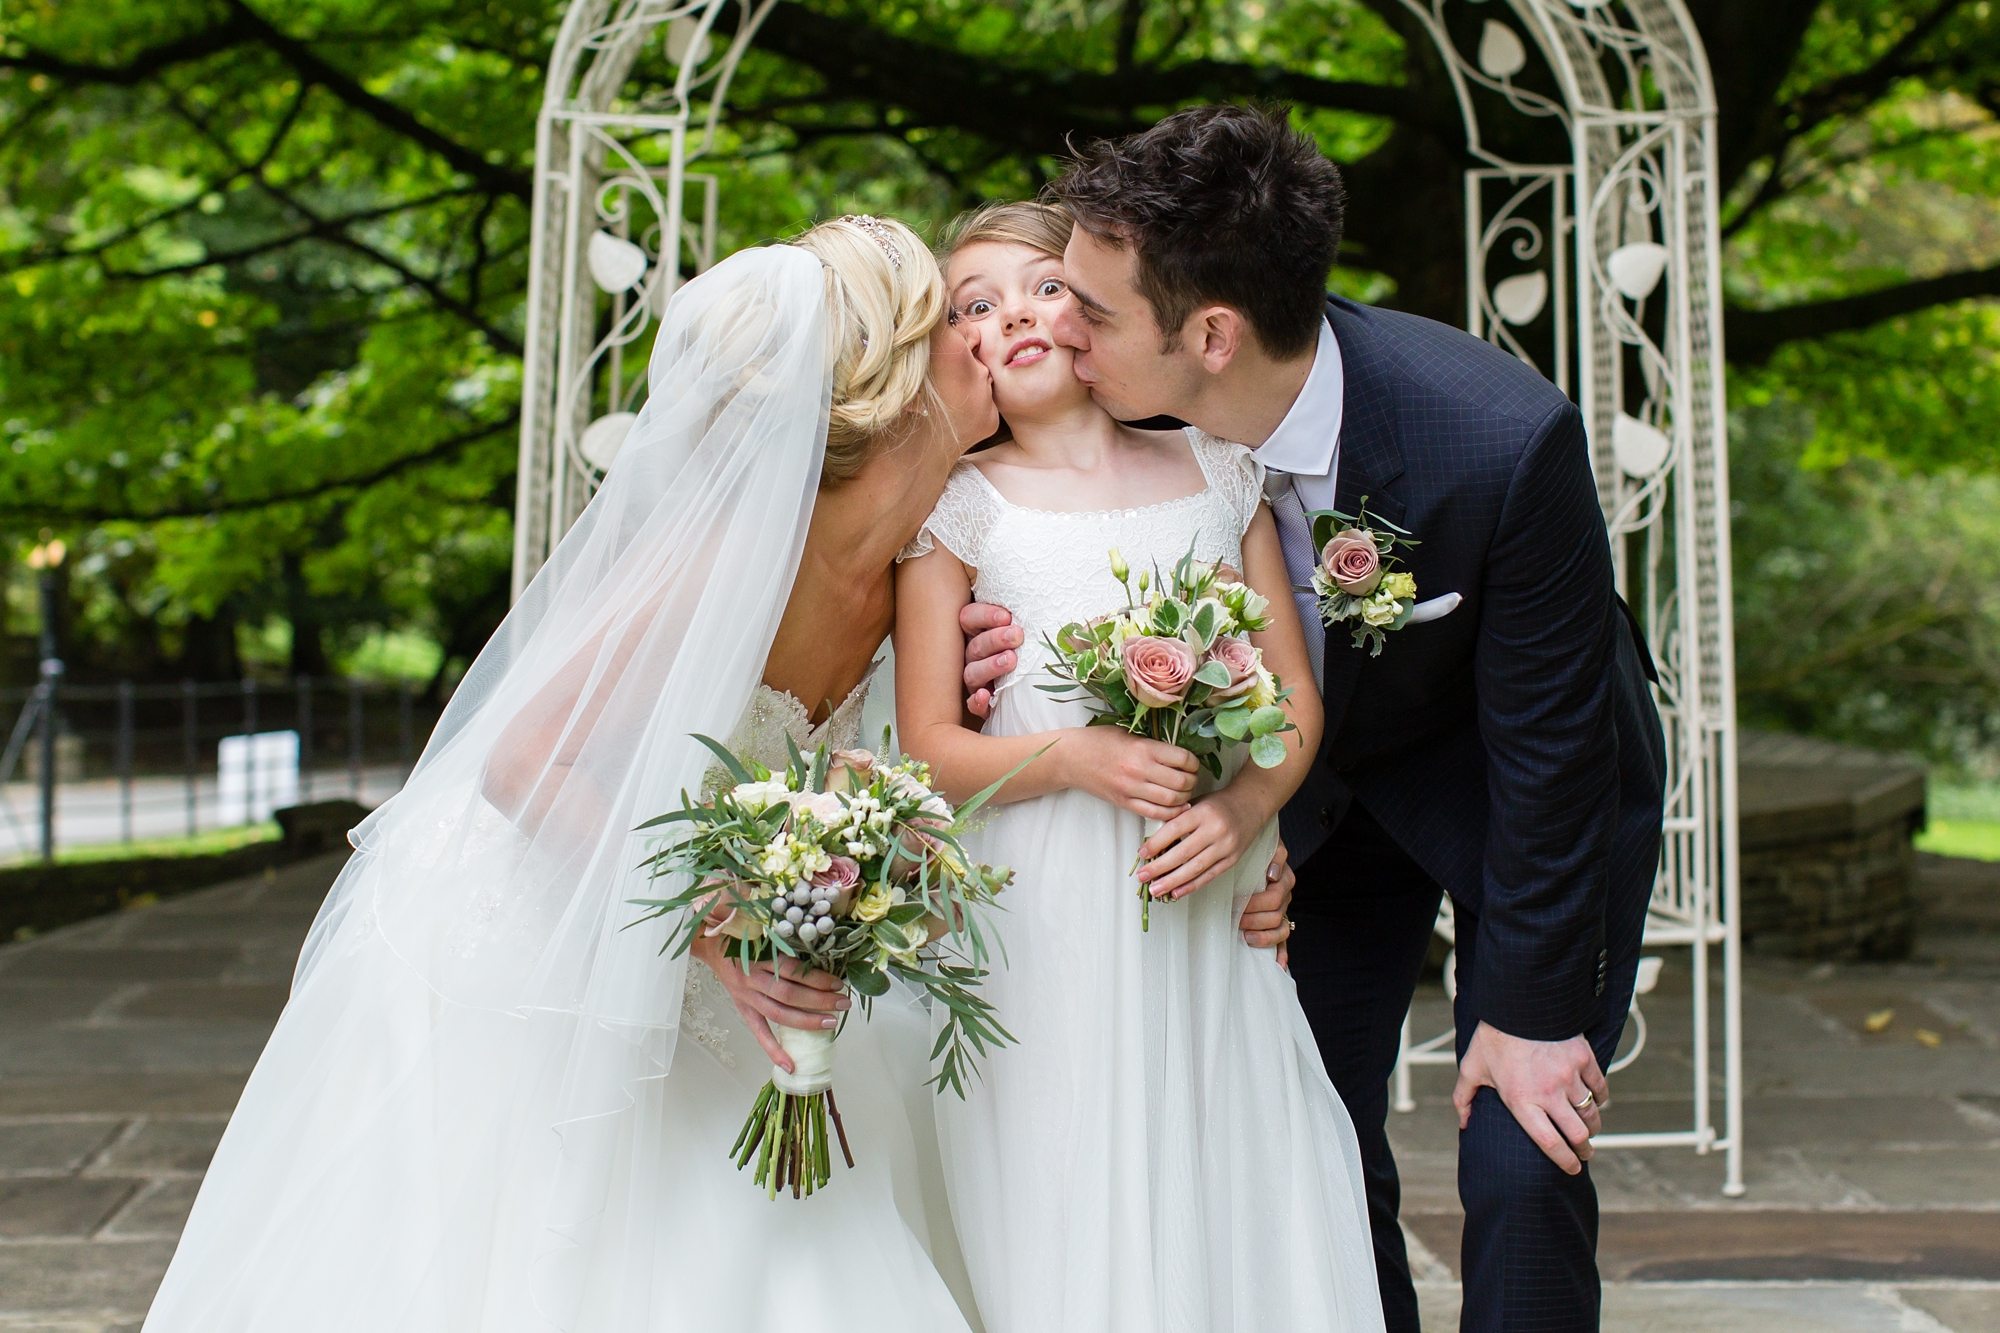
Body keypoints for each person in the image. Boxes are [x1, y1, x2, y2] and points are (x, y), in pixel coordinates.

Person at [959, 108, 1668, 1333]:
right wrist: (999, 650)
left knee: (1520, 1133)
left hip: (1515, 791)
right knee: (1312, 1117)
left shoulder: (1499, 441)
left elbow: (1553, 752)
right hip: (1312, 802)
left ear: (1211, 334)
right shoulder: (1128, 405)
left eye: (1093, 307)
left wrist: (1534, 1017)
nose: (1059, 325)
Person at [894, 200, 1382, 1333]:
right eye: (975, 305)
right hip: (1043, 907)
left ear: (1094, 305)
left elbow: (1293, 696)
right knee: (1068, 1178)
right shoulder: (958, 510)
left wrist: (1248, 807)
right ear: (953, 348)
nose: (1011, 312)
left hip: (1207, 887)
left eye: (1039, 285)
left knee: (1234, 1154)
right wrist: (1072, 753)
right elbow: (928, 747)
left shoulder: (1216, 472)